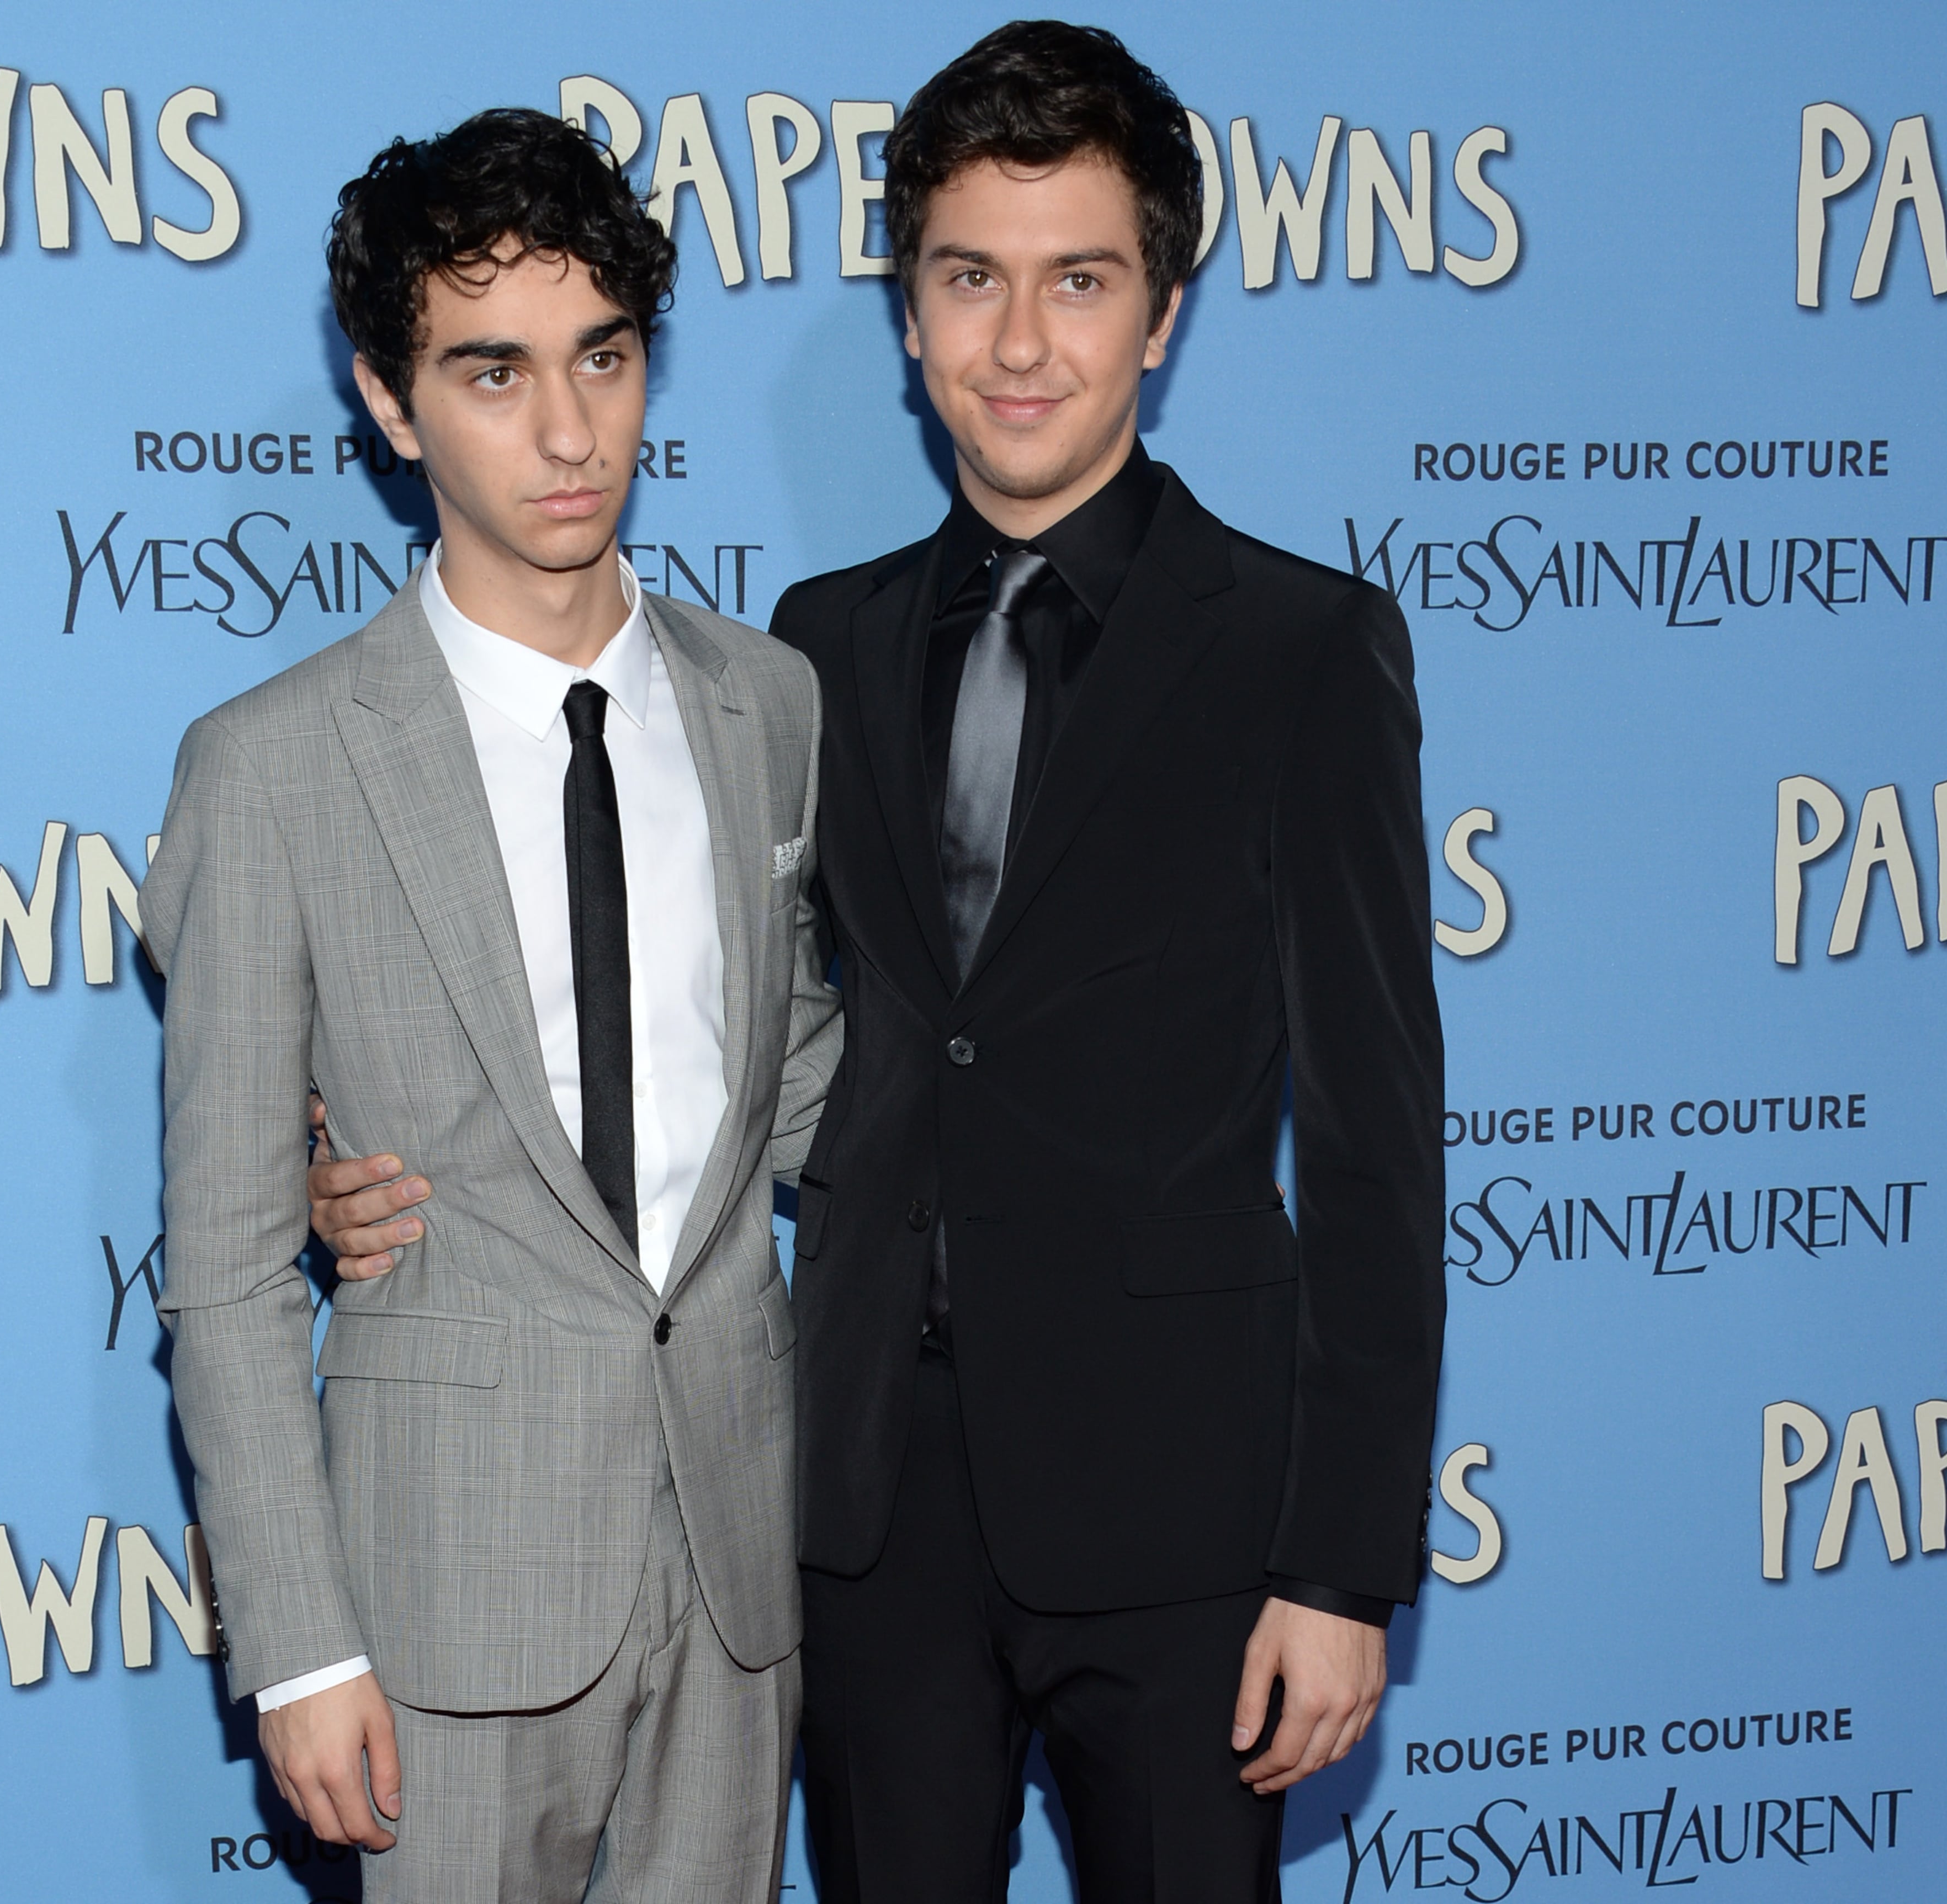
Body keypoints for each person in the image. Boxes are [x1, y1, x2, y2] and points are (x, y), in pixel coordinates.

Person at [312, 22, 1444, 1901]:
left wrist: (1339, 1572)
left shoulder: (1301, 652)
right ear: (908, 314)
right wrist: (342, 1165)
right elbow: (682, 1010)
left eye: (1079, 281)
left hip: (1183, 1531)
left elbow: (1379, 1144)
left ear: (1158, 312)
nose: (1020, 342)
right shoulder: (803, 655)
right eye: (968, 279)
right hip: (850, 1520)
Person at [141, 106, 841, 1904]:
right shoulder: (273, 766)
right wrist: (296, 1643)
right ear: (389, 400)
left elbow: (805, 1081)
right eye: (492, 370)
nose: (564, 430)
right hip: (439, 1584)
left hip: (738, 1557)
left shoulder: (772, 706)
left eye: (602, 357)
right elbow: (219, 1266)